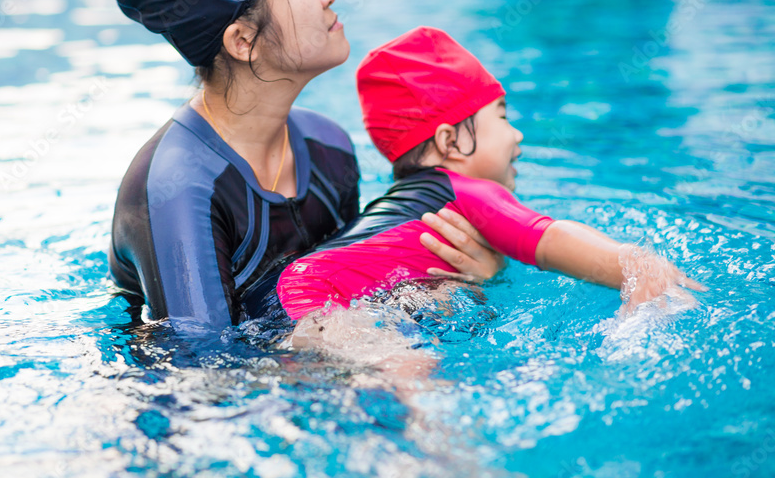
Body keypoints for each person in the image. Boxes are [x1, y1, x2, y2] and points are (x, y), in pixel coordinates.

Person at [108, 0, 502, 327]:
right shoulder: (177, 188)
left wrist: (463, 279)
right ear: (243, 40)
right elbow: (201, 373)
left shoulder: (328, 147)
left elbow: (359, 290)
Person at [277, 26, 704, 321]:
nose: (516, 135)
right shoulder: (468, 194)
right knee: (410, 379)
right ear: (450, 142)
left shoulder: (397, 208)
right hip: (321, 303)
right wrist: (634, 263)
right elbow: (549, 236)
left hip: (288, 304)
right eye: (501, 117)